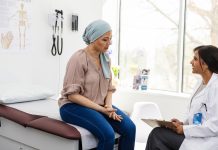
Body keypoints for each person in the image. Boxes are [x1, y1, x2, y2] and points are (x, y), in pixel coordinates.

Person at [58, 19, 136, 150]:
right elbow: (72, 95)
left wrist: (109, 107)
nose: (109, 43)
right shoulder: (78, 58)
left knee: (130, 128)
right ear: (93, 38)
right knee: (107, 134)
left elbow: (109, 88)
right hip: (72, 106)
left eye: (110, 39)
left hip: (99, 105)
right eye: (105, 39)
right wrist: (102, 110)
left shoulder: (105, 58)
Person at [145, 45, 218, 150]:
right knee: (158, 133)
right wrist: (182, 124)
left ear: (205, 64)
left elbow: (215, 126)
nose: (191, 62)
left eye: (195, 59)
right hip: (194, 135)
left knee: (157, 135)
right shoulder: (200, 84)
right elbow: (198, 115)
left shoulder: (216, 87)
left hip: (207, 142)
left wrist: (184, 129)